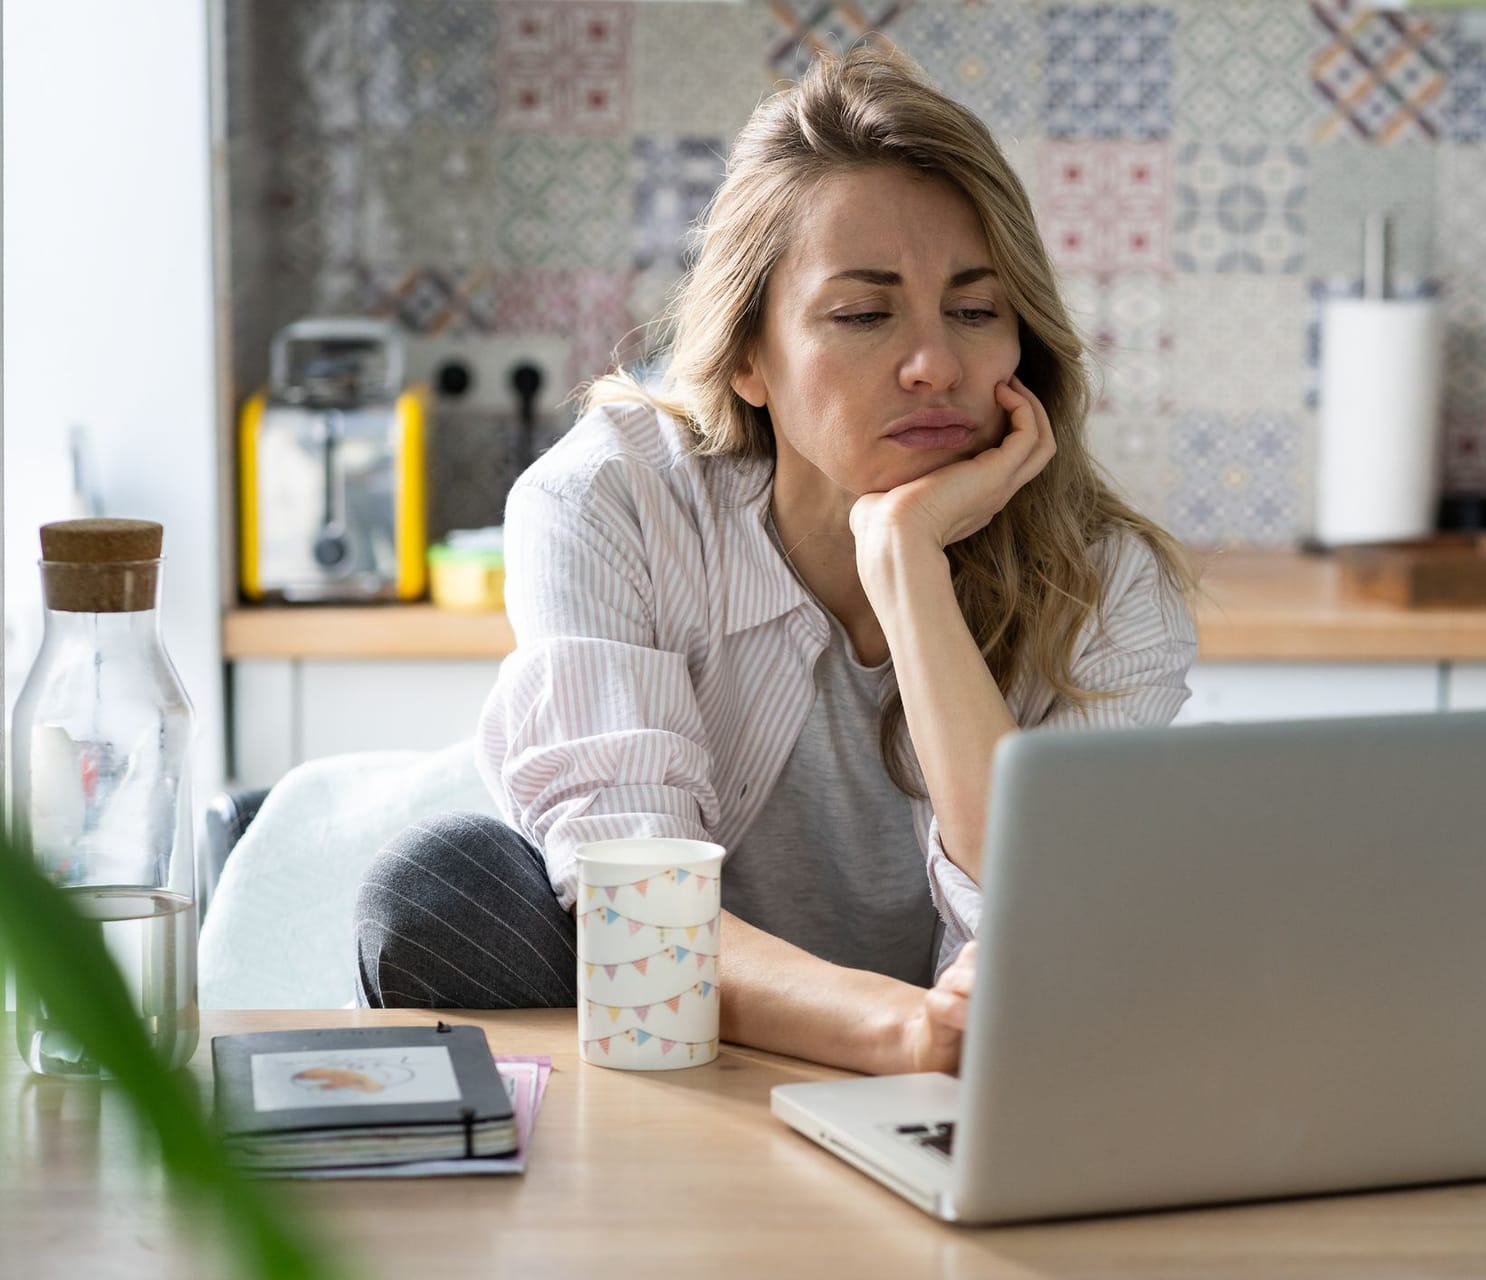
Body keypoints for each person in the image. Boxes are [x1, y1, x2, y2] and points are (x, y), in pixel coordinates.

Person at [354, 45, 1197, 1076]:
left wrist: (905, 562)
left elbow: (1051, 913)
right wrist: (906, 1029)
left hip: (980, 1081)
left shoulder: (1108, 584)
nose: (934, 362)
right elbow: (639, 904)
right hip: (685, 1040)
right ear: (748, 356)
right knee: (441, 885)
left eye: (977, 309)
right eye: (862, 313)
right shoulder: (609, 501)